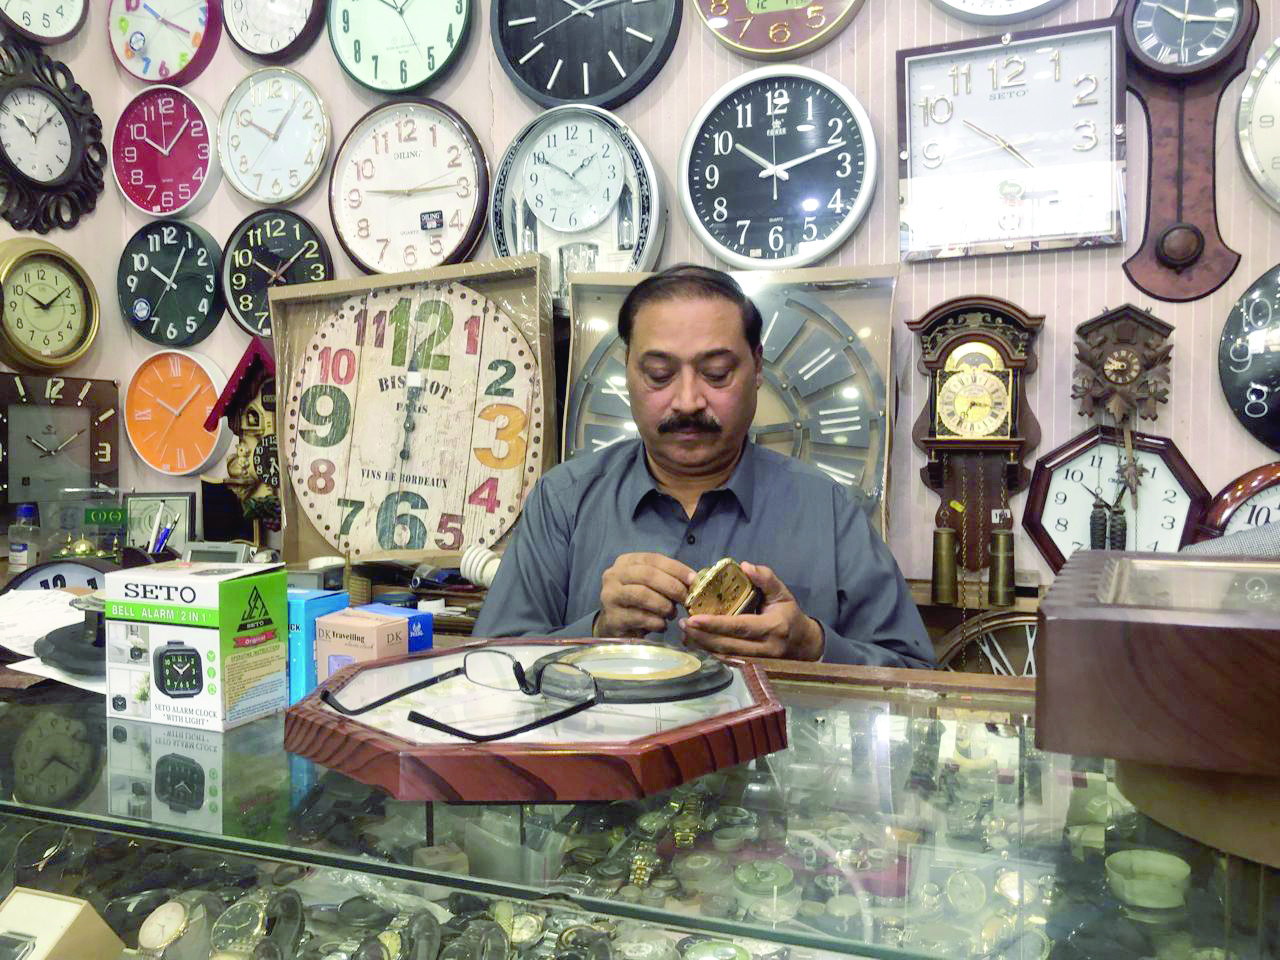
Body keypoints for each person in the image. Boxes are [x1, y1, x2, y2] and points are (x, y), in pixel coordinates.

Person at [473, 265, 934, 667]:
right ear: (628, 370)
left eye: (716, 374)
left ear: (756, 368)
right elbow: (489, 670)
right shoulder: (564, 500)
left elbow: (915, 681)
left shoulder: (826, 508)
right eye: (659, 375)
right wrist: (596, 633)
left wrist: (811, 645)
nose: (689, 401)